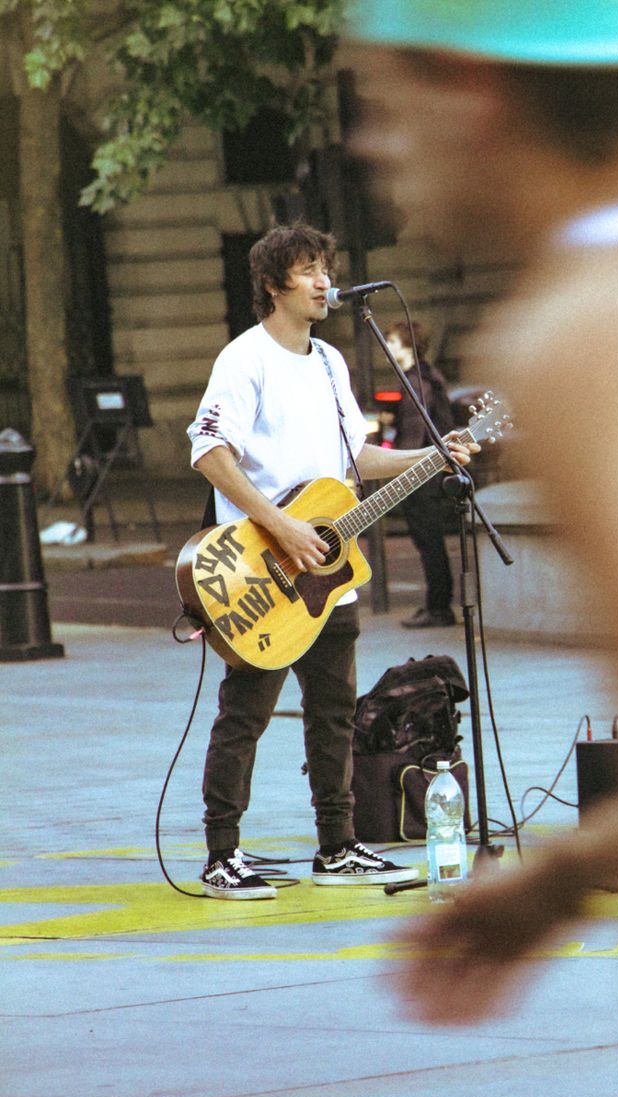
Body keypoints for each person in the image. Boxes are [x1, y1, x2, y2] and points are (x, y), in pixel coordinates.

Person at [346, 2, 618, 1097]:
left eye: (382, 101)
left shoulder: (585, 331)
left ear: (472, 94)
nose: (369, 143)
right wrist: (564, 872)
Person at [186, 223, 477, 901]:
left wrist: (434, 456)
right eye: (309, 270)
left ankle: (337, 845)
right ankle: (221, 853)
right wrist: (281, 525)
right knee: (246, 714)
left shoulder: (330, 363)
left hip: (330, 581)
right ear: (272, 283)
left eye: (326, 267)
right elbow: (208, 453)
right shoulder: (244, 359)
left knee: (334, 713)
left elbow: (357, 463)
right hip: (261, 574)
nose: (324, 281)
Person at [384, 320, 456, 628]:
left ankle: (438, 608)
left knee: (429, 541)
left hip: (422, 474)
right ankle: (437, 605)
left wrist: (400, 467)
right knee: (430, 541)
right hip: (428, 471)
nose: (388, 348)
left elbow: (416, 432)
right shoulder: (423, 377)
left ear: (407, 346)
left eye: (393, 343)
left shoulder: (417, 381)